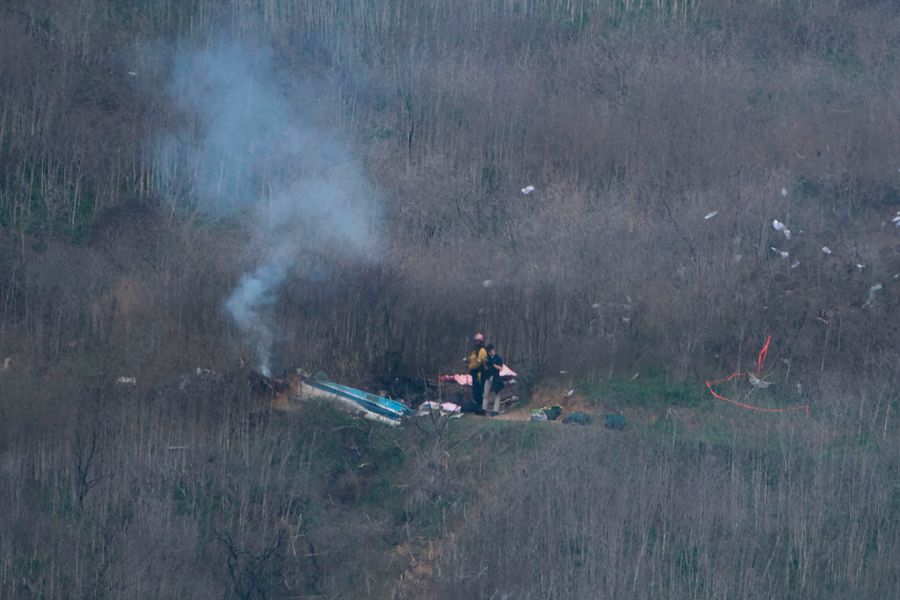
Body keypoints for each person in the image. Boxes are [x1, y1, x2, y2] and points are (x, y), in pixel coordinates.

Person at [464, 332, 488, 414]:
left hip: (480, 373)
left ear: (481, 342)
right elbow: (471, 359)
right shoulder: (475, 351)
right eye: (475, 341)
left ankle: (481, 408)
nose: (476, 343)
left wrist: (471, 366)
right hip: (475, 373)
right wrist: (467, 361)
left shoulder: (482, 350)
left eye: (478, 341)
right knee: (475, 390)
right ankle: (477, 408)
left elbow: (479, 362)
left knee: (479, 390)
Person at [483, 343, 506, 415]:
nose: (489, 353)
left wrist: (493, 365)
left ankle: (495, 410)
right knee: (485, 394)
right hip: (488, 377)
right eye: (488, 352)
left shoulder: (498, 358)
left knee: (496, 394)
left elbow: (501, 368)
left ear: (493, 350)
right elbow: (485, 367)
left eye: (490, 351)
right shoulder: (487, 358)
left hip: (495, 378)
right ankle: (484, 410)